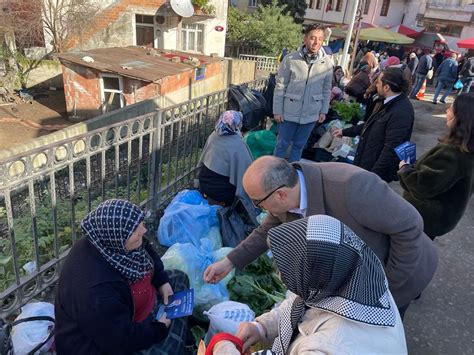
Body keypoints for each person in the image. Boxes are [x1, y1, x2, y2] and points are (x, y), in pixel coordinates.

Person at [204, 156, 438, 318]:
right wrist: (230, 262)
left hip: (404, 270)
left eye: (258, 202)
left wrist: (383, 288)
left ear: (281, 194)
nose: (259, 208)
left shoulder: (352, 187)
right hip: (360, 273)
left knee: (387, 329)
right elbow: (266, 231)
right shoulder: (288, 197)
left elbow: (410, 226)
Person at [210, 216, 407, 355]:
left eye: (284, 270)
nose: (280, 276)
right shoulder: (353, 281)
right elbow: (300, 305)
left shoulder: (331, 346)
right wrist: (261, 327)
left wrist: (224, 348)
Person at [54, 199, 190, 355]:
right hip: (104, 344)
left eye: (141, 222)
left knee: (179, 279)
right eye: (135, 229)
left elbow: (145, 249)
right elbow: (120, 341)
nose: (143, 230)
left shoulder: (109, 241)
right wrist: (158, 329)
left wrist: (162, 280)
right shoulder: (96, 291)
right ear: (116, 236)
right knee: (169, 348)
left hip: (130, 309)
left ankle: (176, 333)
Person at [398, 93, 474, 239]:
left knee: (404, 254)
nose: (447, 111)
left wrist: (405, 168)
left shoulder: (452, 154)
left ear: (461, 118)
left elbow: (422, 186)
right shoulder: (467, 150)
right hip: (440, 219)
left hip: (423, 220)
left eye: (451, 109)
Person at [334, 67, 414, 183]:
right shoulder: (386, 102)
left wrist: (374, 177)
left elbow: (391, 149)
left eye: (378, 83)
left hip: (374, 171)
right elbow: (371, 125)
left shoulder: (401, 111)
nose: (376, 85)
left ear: (386, 87)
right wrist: (344, 132)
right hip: (367, 162)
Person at [273, 23, 333, 163]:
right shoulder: (290, 60)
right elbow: (280, 85)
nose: (316, 42)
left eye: (320, 38)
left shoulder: (327, 63)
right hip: (289, 111)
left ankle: (294, 173)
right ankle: (274, 171)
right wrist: (277, 110)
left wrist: (323, 110)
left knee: (299, 146)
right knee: (282, 145)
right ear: (305, 39)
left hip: (311, 113)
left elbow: (326, 89)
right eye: (313, 38)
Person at [198, 110, 257, 223]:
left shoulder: (213, 135)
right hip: (221, 193)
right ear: (237, 125)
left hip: (204, 183)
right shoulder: (238, 145)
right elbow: (248, 173)